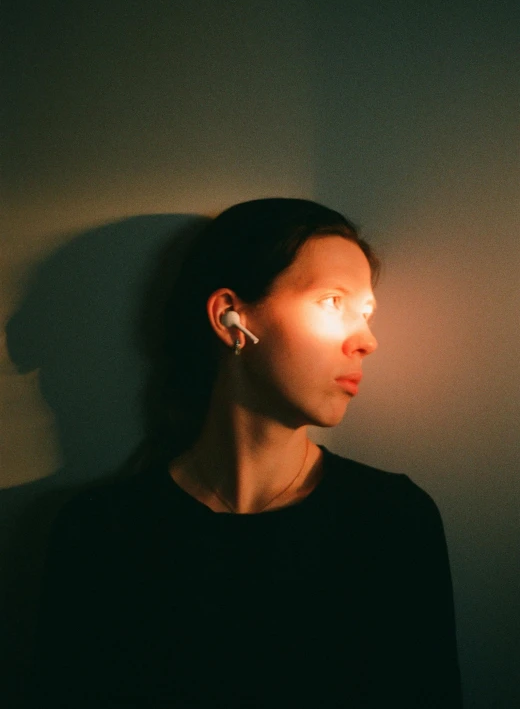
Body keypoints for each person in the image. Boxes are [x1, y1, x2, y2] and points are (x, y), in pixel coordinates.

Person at [28, 198, 463, 708]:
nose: (366, 340)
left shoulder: (394, 521)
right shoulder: (99, 534)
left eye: (366, 312)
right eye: (331, 302)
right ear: (230, 319)